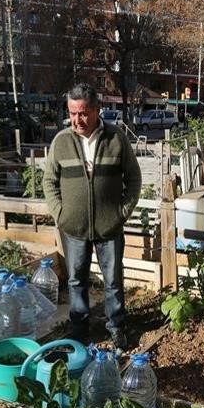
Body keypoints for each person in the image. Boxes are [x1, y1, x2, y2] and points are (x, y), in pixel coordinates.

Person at [43, 83, 141, 348]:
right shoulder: (61, 141)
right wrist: (60, 214)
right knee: (76, 279)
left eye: (83, 113)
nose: (77, 120)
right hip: (73, 227)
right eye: (73, 113)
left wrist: (122, 212)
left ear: (97, 110)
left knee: (113, 279)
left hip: (109, 226)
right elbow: (49, 182)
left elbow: (133, 178)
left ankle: (116, 326)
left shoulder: (115, 138)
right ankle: (79, 328)